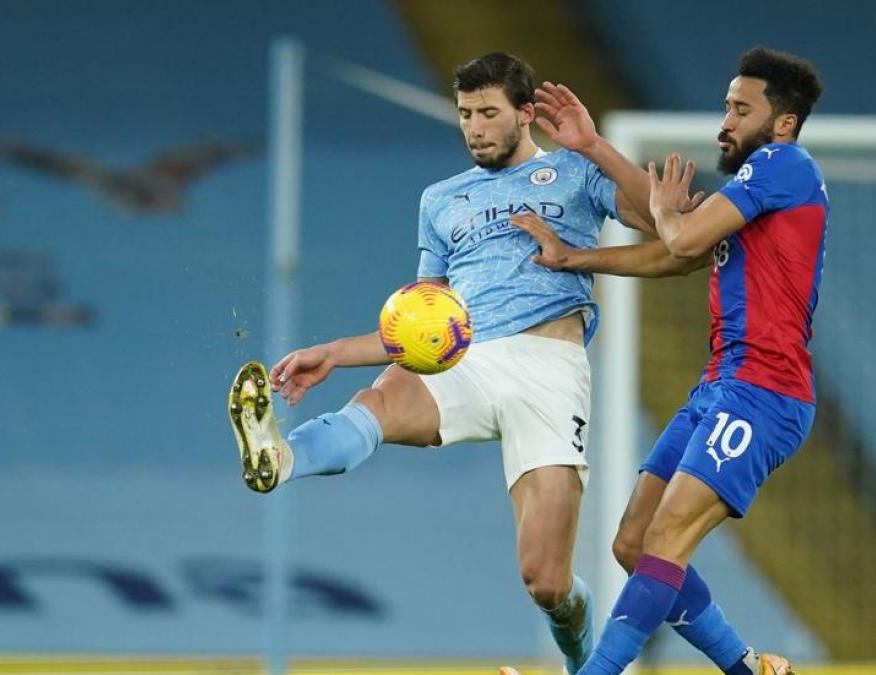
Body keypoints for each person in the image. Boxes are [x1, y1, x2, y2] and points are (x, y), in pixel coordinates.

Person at [227, 52, 658, 673]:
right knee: (382, 397)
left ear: (526, 114)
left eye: (488, 113)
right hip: (465, 357)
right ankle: (281, 456)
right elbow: (421, 321)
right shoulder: (442, 200)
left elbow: (662, 221)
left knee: (545, 580)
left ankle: (580, 663)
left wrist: (595, 148)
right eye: (464, 114)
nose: (474, 127)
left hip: (549, 369)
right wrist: (335, 352)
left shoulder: (573, 173)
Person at [504, 46, 827, 675]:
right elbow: (673, 252)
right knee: (633, 543)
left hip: (766, 391)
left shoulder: (786, 165)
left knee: (665, 541)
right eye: (725, 106)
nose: (724, 121)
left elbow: (676, 234)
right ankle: (752, 669)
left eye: (741, 109)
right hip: (722, 386)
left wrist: (669, 216)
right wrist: (577, 241)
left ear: (782, 122)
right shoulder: (753, 188)